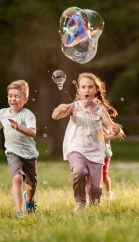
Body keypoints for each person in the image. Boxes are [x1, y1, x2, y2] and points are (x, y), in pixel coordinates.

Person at [52, 73, 121, 212]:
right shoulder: (74, 107)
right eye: (83, 87)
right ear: (79, 91)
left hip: (95, 151)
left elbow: (110, 127)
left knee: (95, 188)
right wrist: (58, 109)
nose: (87, 90)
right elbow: (55, 116)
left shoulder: (99, 110)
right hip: (75, 147)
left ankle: (94, 205)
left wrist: (115, 131)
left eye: (90, 87)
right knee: (79, 171)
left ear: (96, 90)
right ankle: (80, 202)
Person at [0, 80, 39, 217]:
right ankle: (19, 211)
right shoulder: (3, 112)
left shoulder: (27, 115)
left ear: (25, 99)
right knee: (16, 178)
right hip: (12, 152)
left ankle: (29, 200)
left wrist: (19, 128)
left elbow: (33, 132)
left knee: (31, 186)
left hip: (29, 154)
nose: (13, 99)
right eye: (10, 96)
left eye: (17, 96)